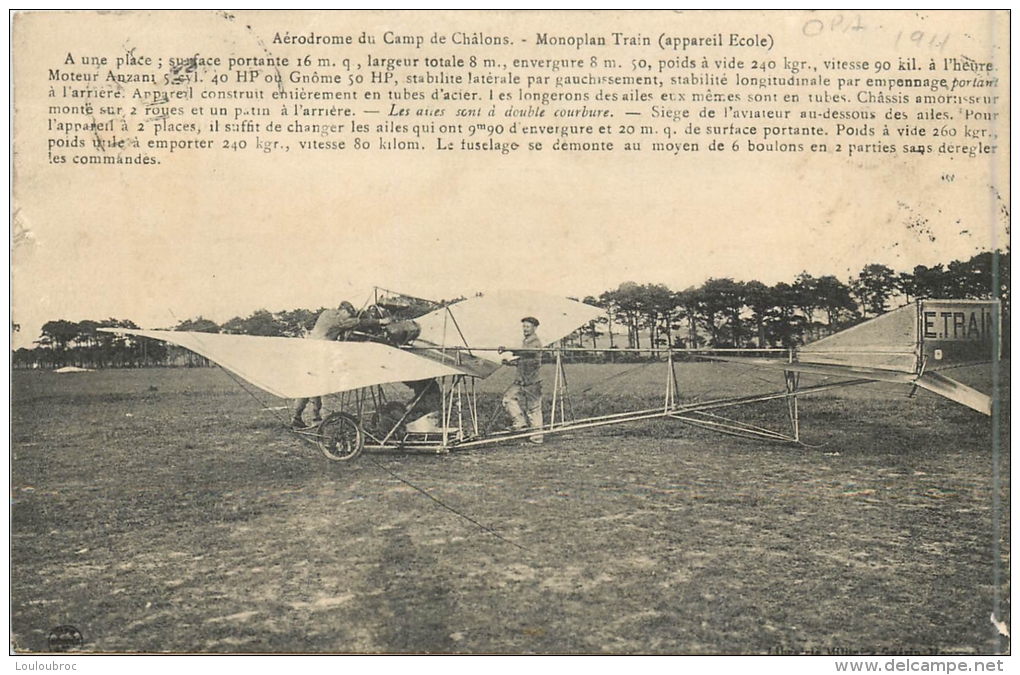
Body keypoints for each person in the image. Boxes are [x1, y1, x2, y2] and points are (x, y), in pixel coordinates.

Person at [291, 302, 360, 428]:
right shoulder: (334, 318)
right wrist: (377, 321)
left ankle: (299, 416)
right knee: (314, 385)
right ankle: (313, 418)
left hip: (311, 353)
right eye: (348, 315)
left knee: (310, 385)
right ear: (343, 311)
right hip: (316, 355)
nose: (348, 317)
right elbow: (350, 323)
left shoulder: (326, 314)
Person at [501, 316, 545, 444]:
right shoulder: (526, 341)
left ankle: (537, 438)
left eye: (527, 327)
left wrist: (508, 349)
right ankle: (520, 422)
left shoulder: (535, 342)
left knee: (533, 408)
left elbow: (526, 352)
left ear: (534, 328)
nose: (524, 329)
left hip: (532, 381)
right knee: (508, 398)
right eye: (523, 327)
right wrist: (510, 363)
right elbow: (524, 359)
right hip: (521, 380)